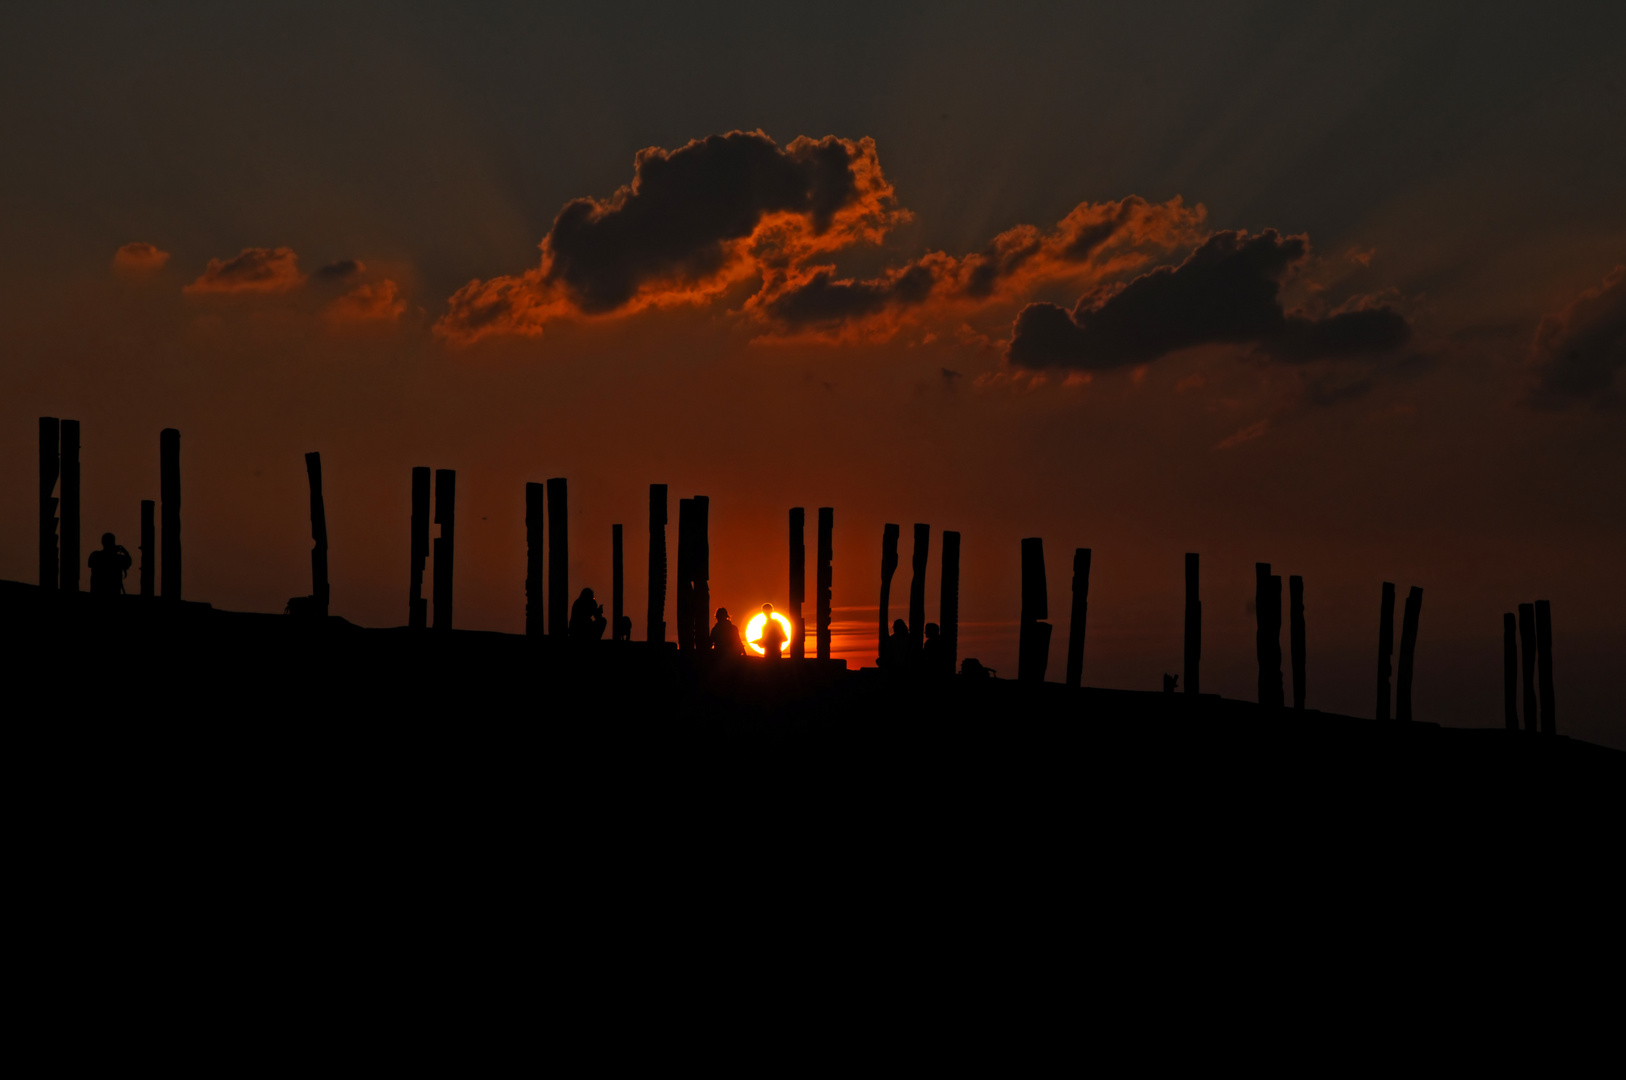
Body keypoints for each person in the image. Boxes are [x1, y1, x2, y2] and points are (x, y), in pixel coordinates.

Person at [87, 532, 131, 597]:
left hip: (96, 591)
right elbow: (128, 563)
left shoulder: (95, 555)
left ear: (102, 542)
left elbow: (90, 563)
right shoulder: (118, 558)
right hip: (113, 592)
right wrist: (124, 551)